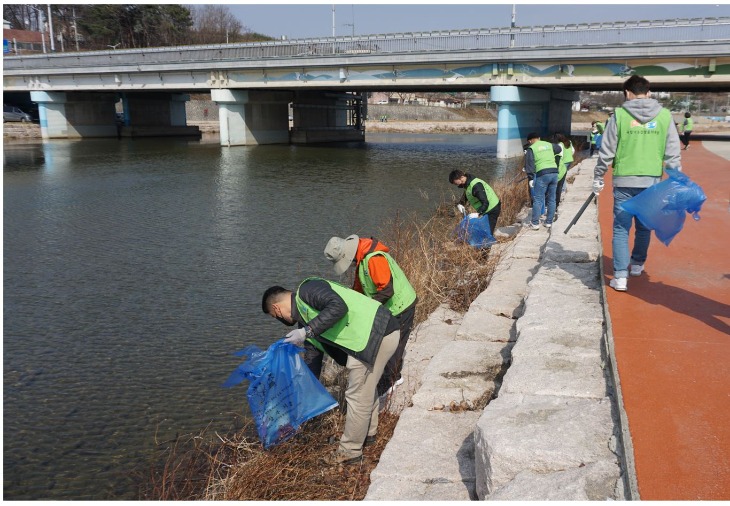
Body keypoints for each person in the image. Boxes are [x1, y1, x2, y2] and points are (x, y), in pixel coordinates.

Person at [262, 278, 400, 465]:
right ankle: (369, 434)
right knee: (366, 389)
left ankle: (350, 451)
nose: (277, 318)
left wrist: (307, 332)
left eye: (273, 316)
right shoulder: (304, 319)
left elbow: (338, 306)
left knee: (356, 395)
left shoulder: (307, 290)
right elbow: (312, 359)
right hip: (378, 334)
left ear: (277, 309)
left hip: (377, 334)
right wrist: (304, 391)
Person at [593, 75, 682, 292]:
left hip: (624, 181)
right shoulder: (664, 116)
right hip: (651, 181)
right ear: (648, 92)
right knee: (644, 227)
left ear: (627, 93)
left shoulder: (620, 115)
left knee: (621, 229)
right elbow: (672, 152)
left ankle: (620, 276)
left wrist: (598, 176)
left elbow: (607, 150)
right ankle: (637, 265)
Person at [324, 235, 417, 397]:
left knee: (395, 345)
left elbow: (387, 290)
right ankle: (389, 376)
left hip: (401, 306)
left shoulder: (374, 258)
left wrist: (367, 308)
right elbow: (358, 291)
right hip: (390, 309)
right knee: (383, 344)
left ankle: (391, 380)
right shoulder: (362, 260)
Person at [524, 132, 562, 230]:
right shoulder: (549, 144)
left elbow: (530, 165)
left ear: (530, 140)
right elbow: (559, 149)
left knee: (538, 199)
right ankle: (548, 222)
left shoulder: (531, 148)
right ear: (539, 138)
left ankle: (535, 223)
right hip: (554, 173)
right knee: (552, 199)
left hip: (543, 174)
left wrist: (531, 178)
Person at [448, 169, 501, 235]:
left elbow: (485, 202)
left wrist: (478, 214)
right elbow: (467, 194)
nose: (456, 185)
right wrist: (461, 204)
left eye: (456, 183)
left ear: (461, 177)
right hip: (485, 209)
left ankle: (487, 244)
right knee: (481, 229)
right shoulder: (466, 184)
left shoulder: (476, 185)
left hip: (492, 208)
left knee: (487, 232)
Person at [554, 133, 575, 219]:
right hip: (570, 160)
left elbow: (560, 154)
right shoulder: (569, 142)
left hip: (564, 162)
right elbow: (573, 151)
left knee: (562, 176)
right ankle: (563, 189)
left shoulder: (560, 144)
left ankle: (563, 190)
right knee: (564, 174)